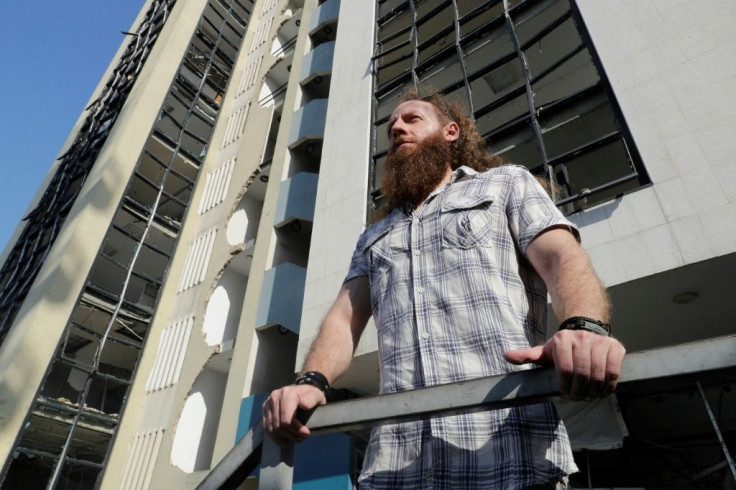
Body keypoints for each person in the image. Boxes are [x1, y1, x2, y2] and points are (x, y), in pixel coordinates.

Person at [262, 90, 626, 489]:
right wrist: (310, 382)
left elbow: (562, 257)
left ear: (451, 132)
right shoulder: (373, 236)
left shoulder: (505, 184)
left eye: (412, 119)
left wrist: (584, 327)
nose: (397, 128)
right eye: (390, 128)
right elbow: (345, 316)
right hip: (398, 472)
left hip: (513, 459)